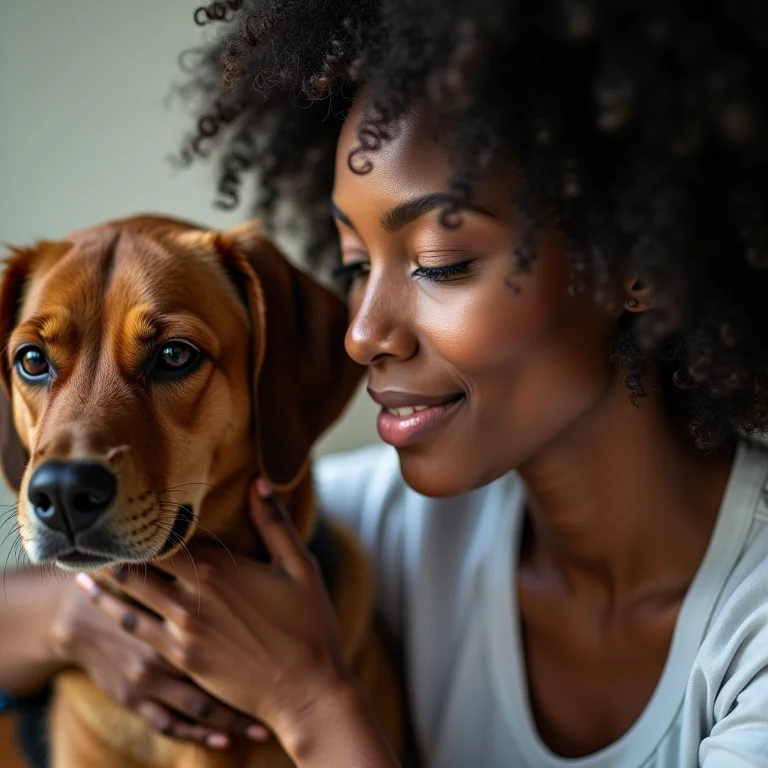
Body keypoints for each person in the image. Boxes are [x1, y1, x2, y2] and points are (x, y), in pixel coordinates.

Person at [3, 0, 768, 765]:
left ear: (633, 259)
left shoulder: (751, 633)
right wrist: (80, 615)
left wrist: (309, 701)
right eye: (356, 266)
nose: (361, 332)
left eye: (442, 262)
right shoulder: (381, 527)